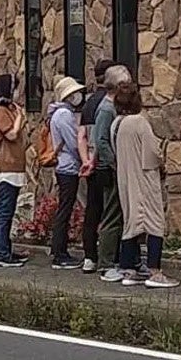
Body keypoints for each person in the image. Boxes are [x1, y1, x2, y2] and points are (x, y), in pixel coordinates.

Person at [111, 80, 179, 288]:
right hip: (144, 177)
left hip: (125, 176)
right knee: (154, 222)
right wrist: (162, 164)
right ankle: (155, 271)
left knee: (131, 222)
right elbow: (151, 153)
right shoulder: (140, 122)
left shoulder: (117, 124)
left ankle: (128, 270)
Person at [84, 65, 129, 279]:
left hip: (110, 167)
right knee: (111, 215)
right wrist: (116, 163)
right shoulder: (106, 109)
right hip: (109, 170)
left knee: (118, 214)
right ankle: (106, 263)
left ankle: (115, 259)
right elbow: (100, 140)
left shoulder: (113, 107)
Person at [46, 76, 88, 269]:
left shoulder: (57, 113)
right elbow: (73, 142)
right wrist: (84, 158)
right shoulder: (64, 114)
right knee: (65, 208)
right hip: (68, 166)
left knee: (65, 207)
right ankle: (59, 252)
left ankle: (58, 249)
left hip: (63, 166)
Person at [0, 73, 28, 268]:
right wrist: (19, 118)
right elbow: (11, 134)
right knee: (4, 211)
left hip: (13, 166)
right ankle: (2, 253)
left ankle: (6, 249)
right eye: (15, 88)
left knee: (9, 211)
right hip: (5, 166)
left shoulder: (8, 109)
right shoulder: (0, 111)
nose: (18, 92)